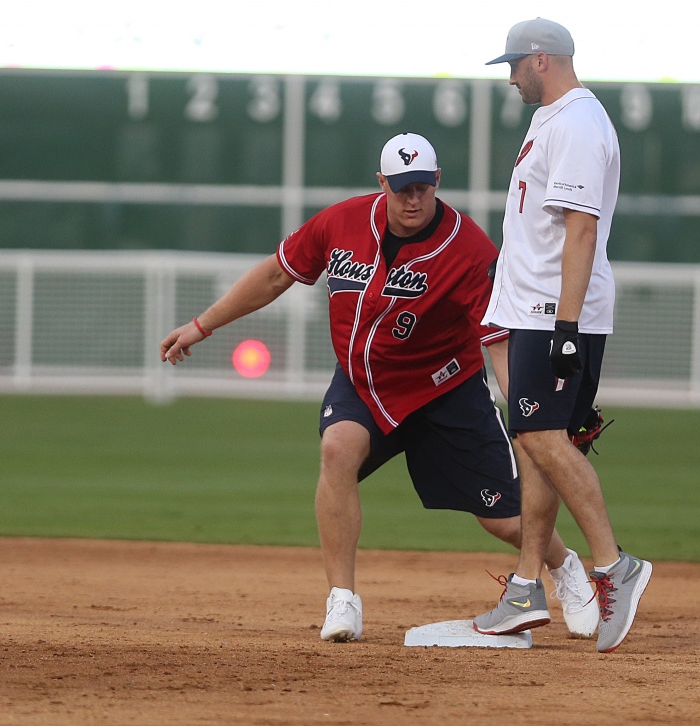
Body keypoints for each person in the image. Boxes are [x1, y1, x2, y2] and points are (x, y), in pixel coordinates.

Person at [161, 132, 598, 642]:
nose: (413, 199)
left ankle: (566, 569)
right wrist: (201, 325)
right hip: (364, 383)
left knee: (502, 519)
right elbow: (276, 276)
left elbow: (498, 342)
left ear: (436, 182)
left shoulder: (468, 248)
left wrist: (527, 413)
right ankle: (342, 601)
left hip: (445, 390)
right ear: (382, 183)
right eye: (401, 188)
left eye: (422, 187)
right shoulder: (340, 223)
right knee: (337, 448)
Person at [472, 18, 652, 653]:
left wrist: (567, 327)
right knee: (535, 445)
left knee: (539, 435)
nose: (512, 76)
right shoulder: (553, 117)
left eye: (515, 65)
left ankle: (613, 564)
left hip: (556, 312)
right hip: (534, 310)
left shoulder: (575, 123)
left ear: (541, 59)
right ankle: (525, 589)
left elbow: (580, 229)